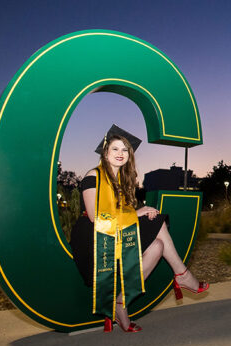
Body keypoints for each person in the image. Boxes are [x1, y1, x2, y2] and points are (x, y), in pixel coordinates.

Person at [69, 125, 208, 333]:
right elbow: (95, 216)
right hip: (93, 239)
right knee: (156, 222)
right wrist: (137, 214)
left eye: (125, 150)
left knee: (158, 245)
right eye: (115, 149)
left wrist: (141, 212)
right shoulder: (94, 175)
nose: (120, 154)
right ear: (105, 153)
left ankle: (120, 304)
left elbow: (122, 216)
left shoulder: (121, 183)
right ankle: (182, 274)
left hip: (113, 233)